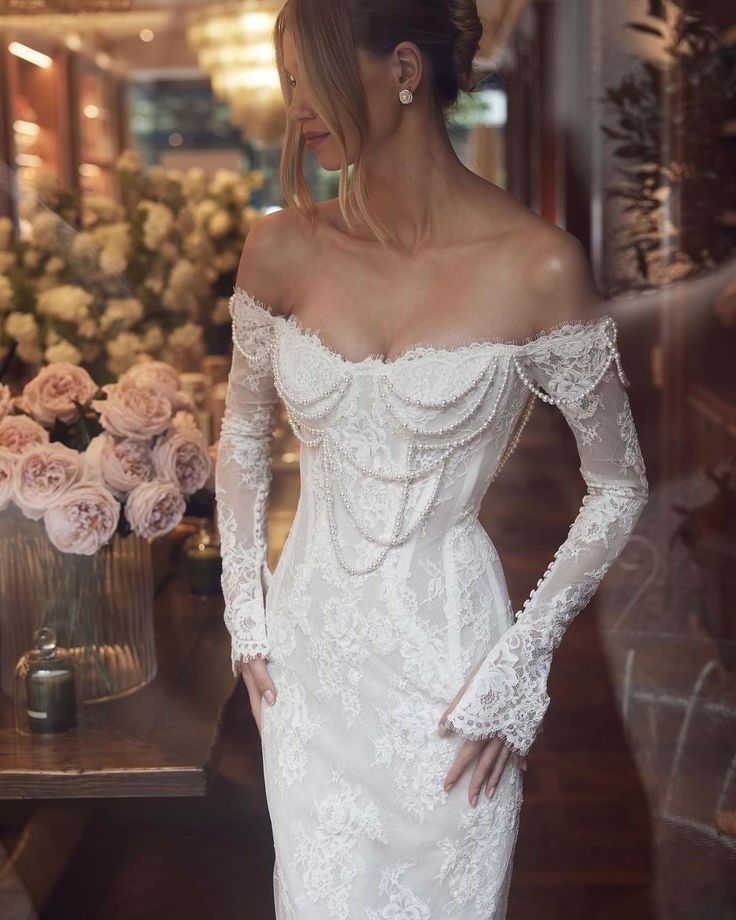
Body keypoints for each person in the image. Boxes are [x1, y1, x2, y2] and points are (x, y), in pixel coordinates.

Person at [214, 0, 649, 916]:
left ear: (404, 67)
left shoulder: (538, 266)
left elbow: (617, 487)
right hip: (307, 659)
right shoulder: (281, 247)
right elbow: (244, 433)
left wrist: (519, 666)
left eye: (309, 77)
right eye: (287, 80)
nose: (294, 105)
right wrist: (246, 617)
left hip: (454, 672)